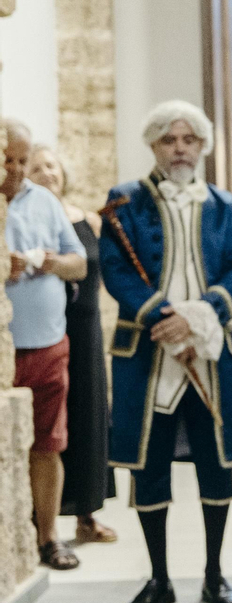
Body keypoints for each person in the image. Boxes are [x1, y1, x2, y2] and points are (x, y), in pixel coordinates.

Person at [101, 102, 232, 603]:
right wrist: (160, 318)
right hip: (148, 355)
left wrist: (198, 316)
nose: (181, 148)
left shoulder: (224, 203)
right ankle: (159, 578)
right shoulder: (124, 201)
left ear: (204, 146)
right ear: (154, 146)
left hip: (207, 353)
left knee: (216, 464)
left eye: (190, 139)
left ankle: (214, 574)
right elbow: (117, 271)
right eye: (170, 140)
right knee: (150, 466)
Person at [4, 118, 88, 572]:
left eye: (23, 159)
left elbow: (78, 264)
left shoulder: (45, 203)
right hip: (4, 351)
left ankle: (48, 536)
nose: (16, 170)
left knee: (47, 443)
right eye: (8, 160)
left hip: (48, 343)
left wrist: (50, 261)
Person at [27, 145, 116, 546]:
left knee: (89, 418)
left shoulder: (91, 220)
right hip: (49, 328)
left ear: (64, 171)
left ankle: (87, 513)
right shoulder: (32, 219)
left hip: (87, 329)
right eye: (37, 167)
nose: (46, 172)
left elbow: (102, 272)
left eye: (52, 165)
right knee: (52, 427)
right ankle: (43, 521)